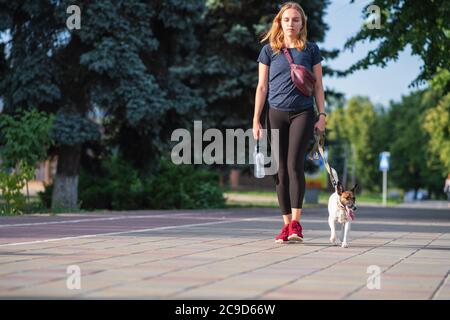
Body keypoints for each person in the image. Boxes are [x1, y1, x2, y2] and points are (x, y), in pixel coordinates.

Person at [252, 2, 326, 243]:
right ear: (280, 22)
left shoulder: (311, 50)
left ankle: (296, 224)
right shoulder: (269, 51)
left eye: (295, 19)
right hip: (275, 113)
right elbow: (262, 87)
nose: (291, 23)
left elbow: (318, 85)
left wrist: (322, 115)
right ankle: (286, 226)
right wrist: (256, 119)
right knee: (280, 170)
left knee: (294, 165)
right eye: (287, 19)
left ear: (302, 23)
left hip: (302, 113)